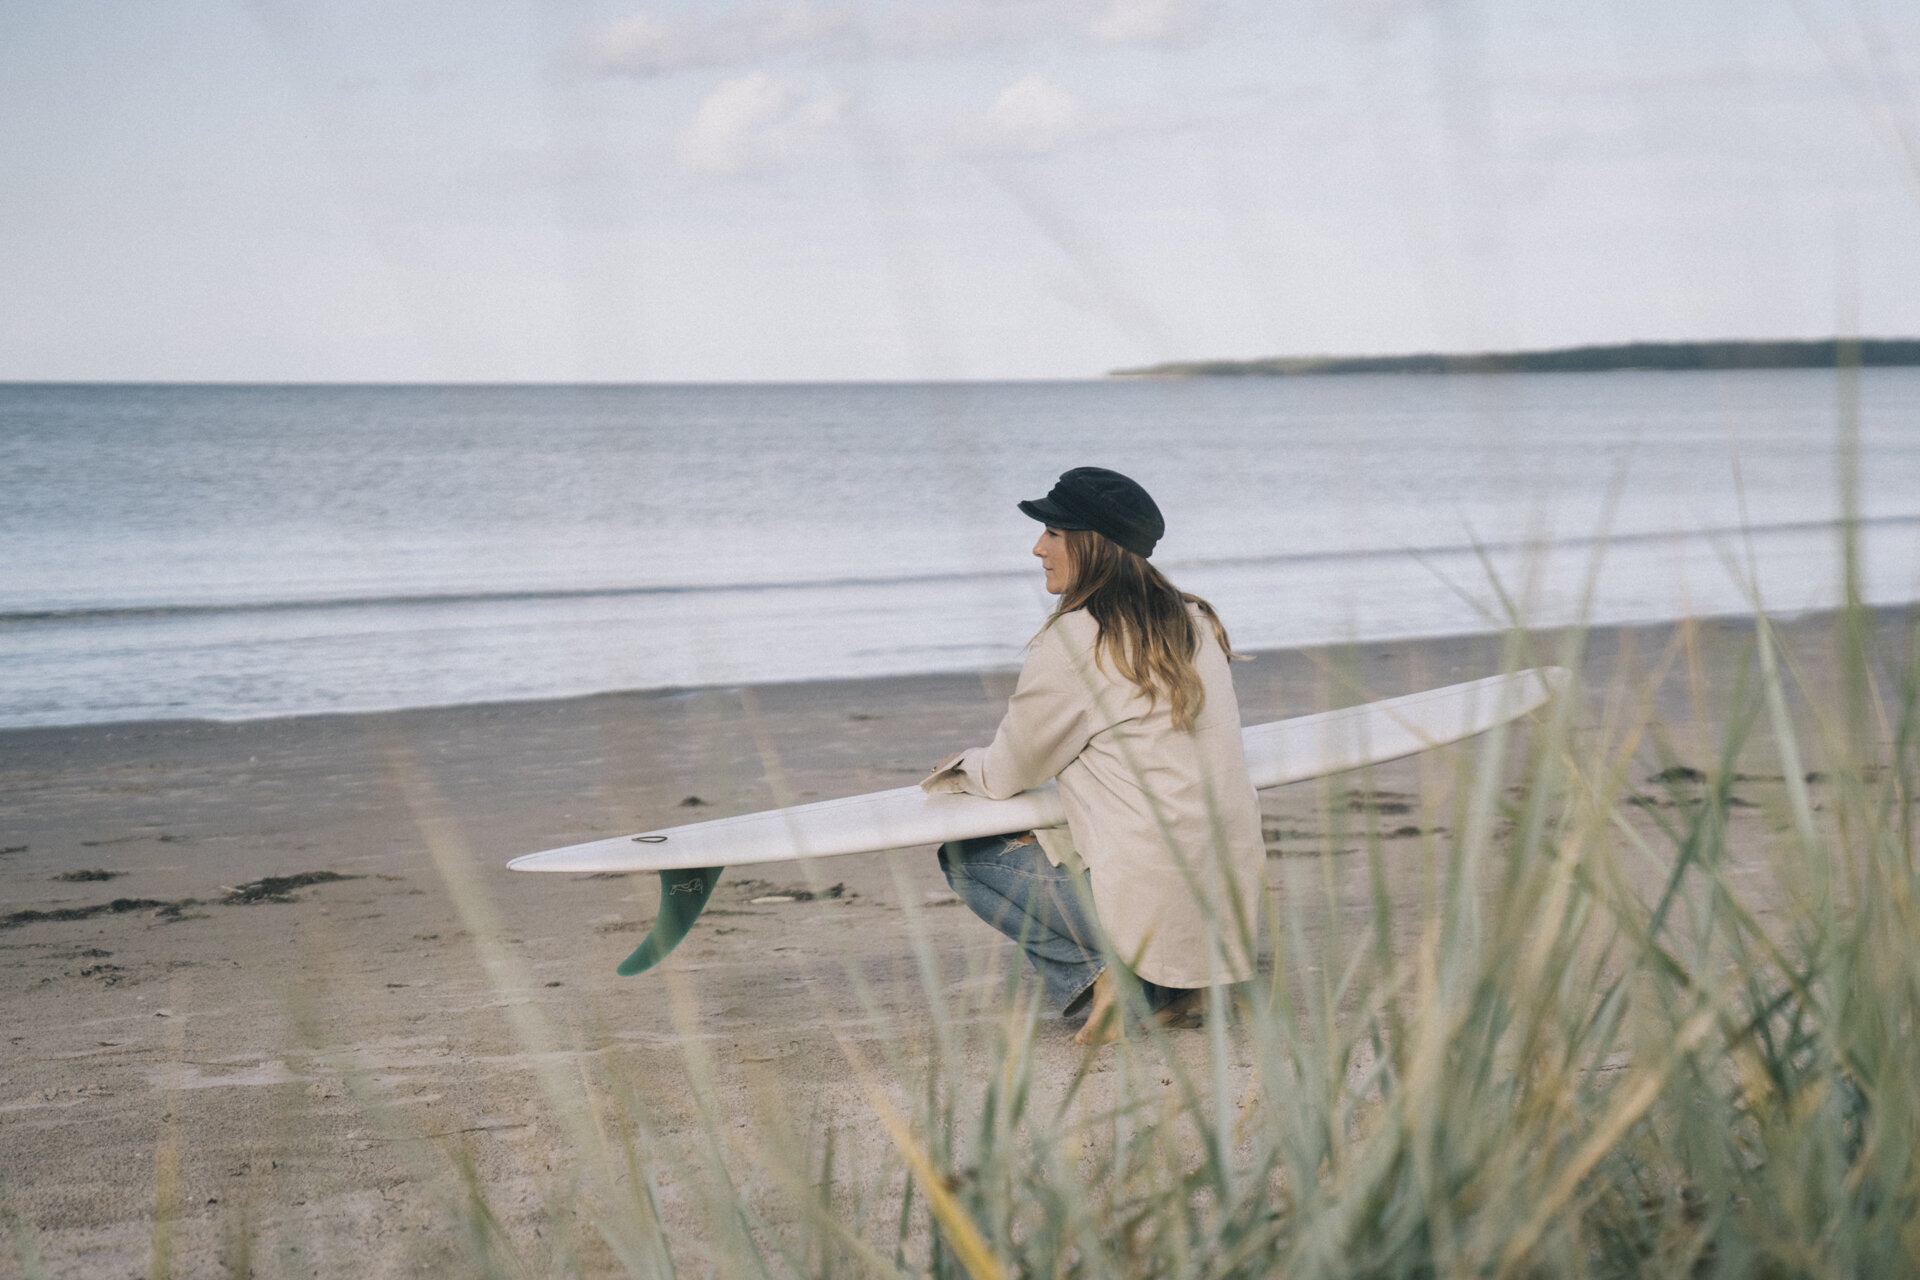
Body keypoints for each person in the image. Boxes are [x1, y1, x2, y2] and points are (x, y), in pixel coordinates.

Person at [921, 467, 1265, 1045]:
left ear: (1091, 544)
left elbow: (1009, 772)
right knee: (1084, 832)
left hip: (1149, 892)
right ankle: (1179, 989)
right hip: (1226, 898)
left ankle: (1113, 979)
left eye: (1053, 533)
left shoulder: (1076, 640)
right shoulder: (1197, 621)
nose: (1038, 548)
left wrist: (959, 768)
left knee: (967, 854)